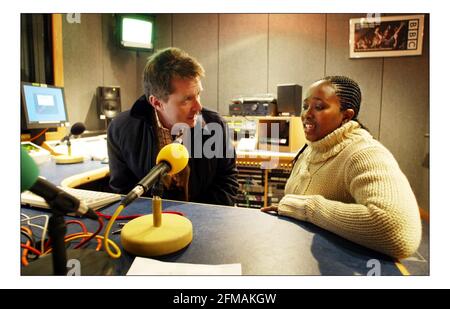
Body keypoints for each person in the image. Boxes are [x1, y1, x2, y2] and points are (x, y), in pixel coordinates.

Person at [261, 76, 422, 259]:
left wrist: (306, 208)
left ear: (346, 116)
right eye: (306, 106)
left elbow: (397, 229)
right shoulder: (310, 148)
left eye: (319, 107)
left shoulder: (365, 153)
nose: (307, 114)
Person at [107, 47, 238, 206]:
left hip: (201, 224)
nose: (199, 107)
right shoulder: (120, 129)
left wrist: (195, 218)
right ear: (157, 103)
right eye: (187, 100)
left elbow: (227, 182)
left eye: (198, 94)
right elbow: (122, 190)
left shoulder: (215, 124)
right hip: (149, 224)